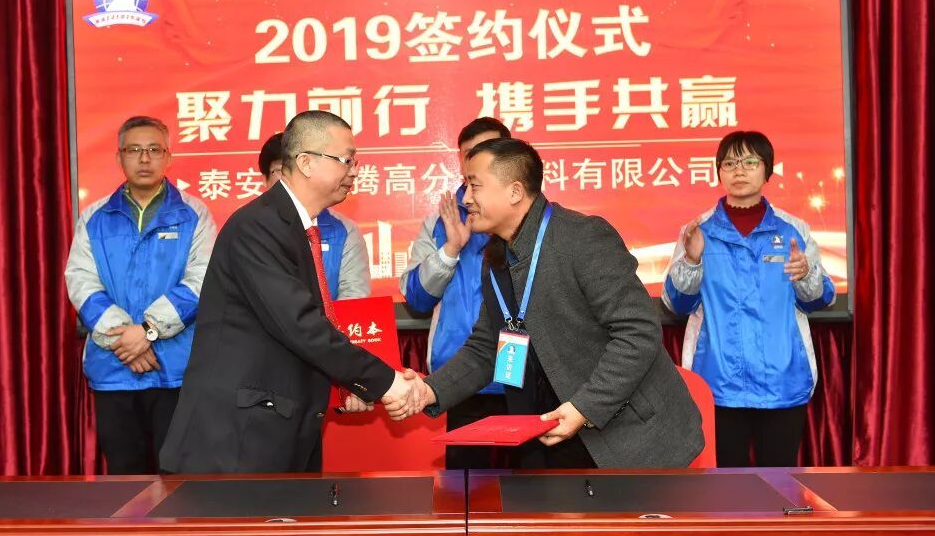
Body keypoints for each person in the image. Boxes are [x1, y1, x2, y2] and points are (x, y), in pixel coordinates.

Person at [391, 138, 704, 469]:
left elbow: (638, 333)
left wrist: (584, 407)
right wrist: (429, 390)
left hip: (631, 438)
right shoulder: (496, 258)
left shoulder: (581, 238)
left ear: (514, 192)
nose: (466, 198)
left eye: (475, 185)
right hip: (549, 434)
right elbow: (487, 348)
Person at [159, 110, 419, 474]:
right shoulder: (259, 226)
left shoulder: (297, 227)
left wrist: (354, 384)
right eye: (346, 160)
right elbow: (301, 325)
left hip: (283, 429)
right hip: (236, 442)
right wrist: (385, 382)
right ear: (307, 162)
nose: (354, 171)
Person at [663, 130, 835, 467]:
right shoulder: (698, 231)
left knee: (781, 484)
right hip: (718, 382)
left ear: (767, 169)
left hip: (782, 380)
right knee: (725, 489)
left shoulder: (793, 229)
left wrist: (805, 274)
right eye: (729, 164)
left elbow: (820, 299)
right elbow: (676, 304)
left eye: (749, 162)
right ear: (719, 172)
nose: (738, 171)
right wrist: (692, 261)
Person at [65, 115, 215, 474]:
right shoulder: (95, 216)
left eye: (154, 150)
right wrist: (127, 339)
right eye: (134, 150)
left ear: (168, 157)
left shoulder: (194, 214)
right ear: (119, 157)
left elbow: (202, 280)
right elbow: (81, 280)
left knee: (176, 480)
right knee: (125, 480)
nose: (144, 159)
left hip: (175, 369)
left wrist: (147, 331)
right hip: (114, 367)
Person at [399, 117, 511, 469]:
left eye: (489, 151)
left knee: (528, 487)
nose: (478, 161)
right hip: (463, 374)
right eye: (470, 155)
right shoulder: (442, 221)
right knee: (467, 487)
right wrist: (450, 249)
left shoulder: (532, 219)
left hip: (522, 375)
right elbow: (417, 299)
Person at [258, 132, 370, 300]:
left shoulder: (344, 231)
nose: (292, 177)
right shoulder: (250, 228)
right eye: (282, 170)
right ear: (265, 179)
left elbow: (354, 300)